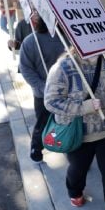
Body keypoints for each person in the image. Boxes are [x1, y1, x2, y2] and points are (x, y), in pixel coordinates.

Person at [44, 48, 105, 210]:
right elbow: (51, 101)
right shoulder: (63, 66)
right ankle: (75, 191)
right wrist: (83, 107)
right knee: (78, 168)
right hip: (78, 135)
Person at [19, 12, 64, 162]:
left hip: (68, 91)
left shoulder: (68, 39)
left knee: (69, 122)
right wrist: (42, 87)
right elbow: (26, 68)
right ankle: (36, 148)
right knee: (42, 122)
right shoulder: (31, 41)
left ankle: (71, 150)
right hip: (43, 93)